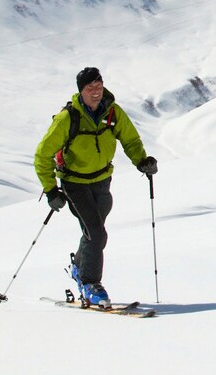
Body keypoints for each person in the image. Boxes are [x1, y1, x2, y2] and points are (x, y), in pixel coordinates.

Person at [34, 66, 157, 306]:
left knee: (93, 232)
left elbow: (130, 138)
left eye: (99, 86)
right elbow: (42, 154)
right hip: (75, 184)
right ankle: (90, 284)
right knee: (97, 233)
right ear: (81, 90)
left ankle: (79, 267)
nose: (96, 92)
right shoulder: (68, 118)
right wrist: (51, 190)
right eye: (90, 88)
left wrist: (142, 161)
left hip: (102, 181)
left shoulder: (112, 112)